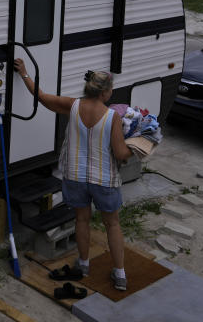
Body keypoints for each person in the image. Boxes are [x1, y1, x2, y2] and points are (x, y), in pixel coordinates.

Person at [13, 58, 133, 291]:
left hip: (75, 175)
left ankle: (84, 264)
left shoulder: (73, 106)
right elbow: (121, 154)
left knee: (81, 220)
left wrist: (25, 73)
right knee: (113, 224)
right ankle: (119, 274)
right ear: (105, 93)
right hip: (104, 179)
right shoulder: (112, 117)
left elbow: (42, 97)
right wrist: (139, 145)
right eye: (111, 91)